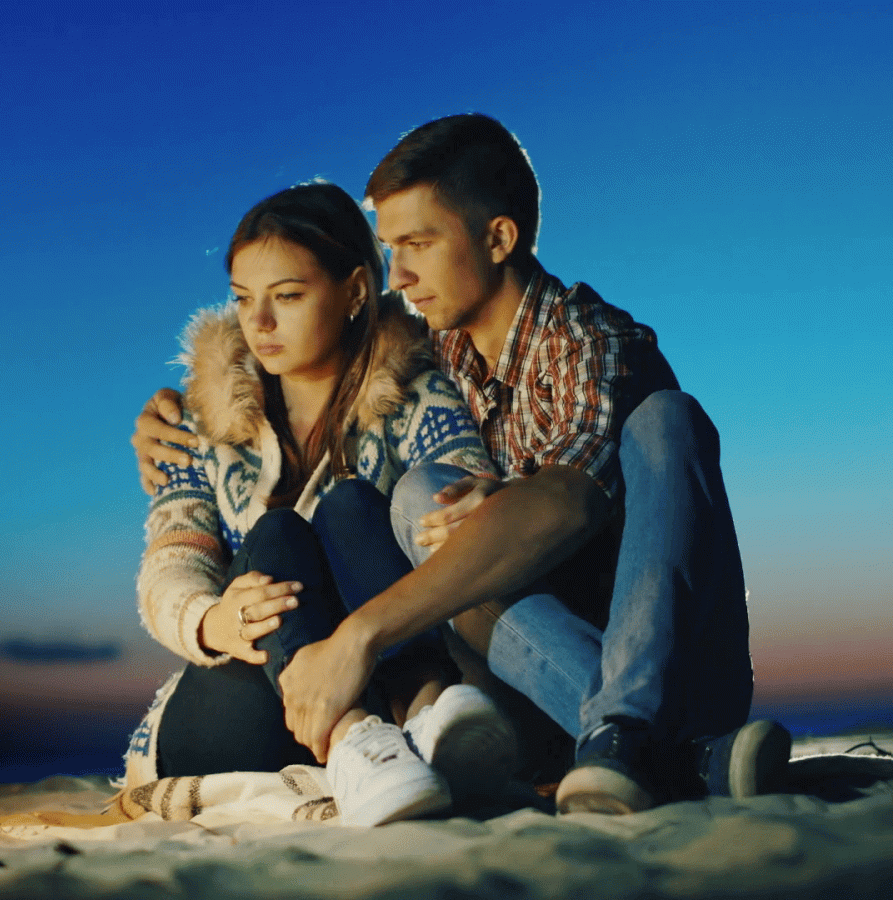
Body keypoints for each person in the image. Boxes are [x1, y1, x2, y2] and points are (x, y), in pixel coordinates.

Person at [133, 114, 790, 815]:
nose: (400, 275)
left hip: (665, 672)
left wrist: (365, 632)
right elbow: (326, 328)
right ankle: (656, 753)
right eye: (391, 248)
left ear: (498, 238)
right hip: (495, 687)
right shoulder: (436, 352)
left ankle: (626, 731)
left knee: (664, 419)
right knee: (383, 508)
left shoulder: (587, 344)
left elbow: (571, 497)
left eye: (417, 244)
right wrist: (175, 414)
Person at [127, 181, 519, 826]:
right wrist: (211, 621)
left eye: (287, 297)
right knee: (278, 531)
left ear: (356, 291)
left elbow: (462, 492)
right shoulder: (197, 419)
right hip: (243, 692)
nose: (259, 324)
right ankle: (354, 736)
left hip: (376, 666)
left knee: (353, 507)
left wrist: (482, 499)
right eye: (243, 300)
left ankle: (428, 712)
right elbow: (170, 561)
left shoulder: (416, 395)